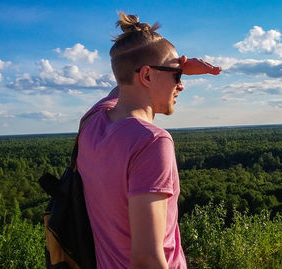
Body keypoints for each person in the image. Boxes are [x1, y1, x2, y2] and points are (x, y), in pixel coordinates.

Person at [76, 12, 221, 269]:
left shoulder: (92, 121)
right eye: (177, 76)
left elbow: (123, 83)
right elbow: (147, 259)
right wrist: (171, 64)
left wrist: (172, 65)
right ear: (146, 76)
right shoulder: (152, 142)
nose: (181, 85)